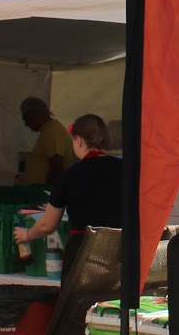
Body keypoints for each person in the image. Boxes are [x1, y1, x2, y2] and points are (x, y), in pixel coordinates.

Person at [13, 114, 123, 271]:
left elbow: (47, 225)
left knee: (79, 288)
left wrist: (28, 234)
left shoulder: (70, 175)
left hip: (83, 252)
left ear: (78, 140)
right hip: (121, 252)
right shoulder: (126, 170)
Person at [14, 97, 73, 188]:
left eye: (27, 119)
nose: (26, 124)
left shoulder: (52, 129)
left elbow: (56, 164)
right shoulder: (49, 129)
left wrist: (47, 191)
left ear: (35, 113)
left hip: (44, 192)